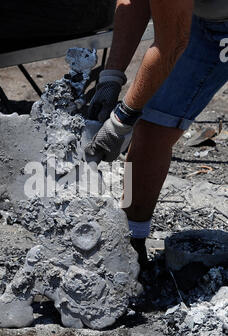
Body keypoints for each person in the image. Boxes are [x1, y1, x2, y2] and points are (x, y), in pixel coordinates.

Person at [85, 0, 228, 269]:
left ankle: (128, 249)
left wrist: (121, 119)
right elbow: (132, 3)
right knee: (151, 128)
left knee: (152, 127)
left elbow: (170, 44)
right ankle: (130, 244)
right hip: (206, 19)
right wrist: (111, 77)